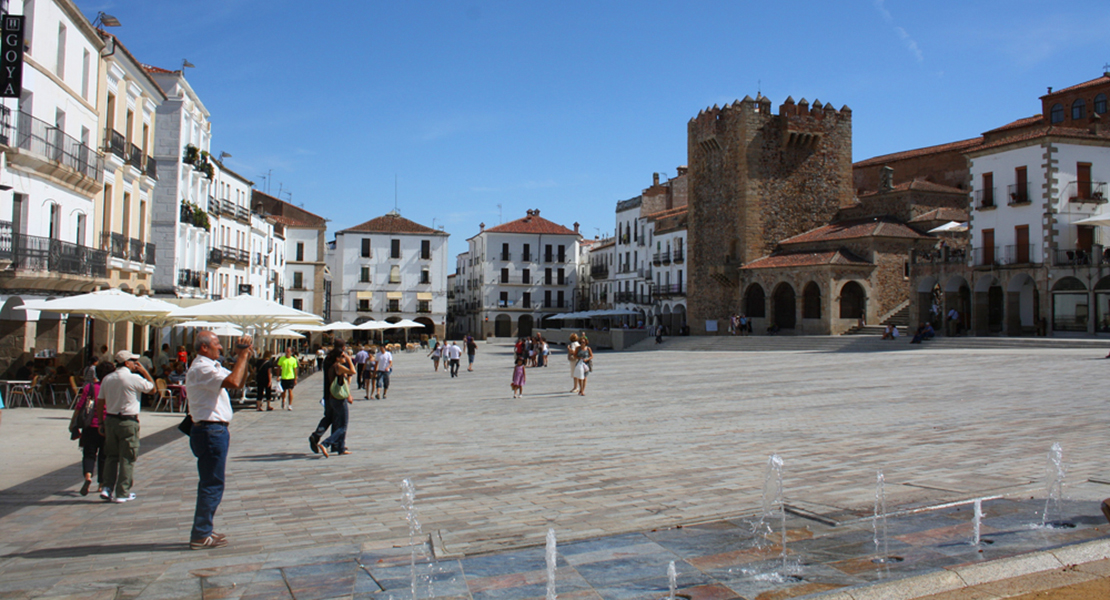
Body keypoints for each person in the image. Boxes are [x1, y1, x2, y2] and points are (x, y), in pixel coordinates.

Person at [185, 330, 253, 550]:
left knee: (211, 482)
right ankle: (200, 533)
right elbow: (233, 382)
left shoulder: (211, 366)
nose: (221, 347)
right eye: (217, 343)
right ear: (204, 347)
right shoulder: (202, 368)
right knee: (212, 483)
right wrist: (241, 357)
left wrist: (246, 357)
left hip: (212, 430)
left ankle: (204, 530)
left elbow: (239, 381)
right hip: (210, 431)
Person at [97, 350, 154, 503]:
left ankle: (107, 488)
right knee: (127, 458)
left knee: (111, 456)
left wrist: (100, 422)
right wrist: (144, 372)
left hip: (110, 419)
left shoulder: (107, 379)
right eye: (133, 361)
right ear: (127, 363)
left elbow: (100, 401)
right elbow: (153, 389)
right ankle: (122, 492)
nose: (136, 364)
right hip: (128, 421)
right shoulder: (133, 378)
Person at [72, 361, 114, 497]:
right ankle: (101, 483)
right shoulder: (112, 388)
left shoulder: (90, 387)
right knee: (104, 455)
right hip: (106, 425)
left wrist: (73, 423)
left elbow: (80, 406)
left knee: (89, 454)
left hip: (90, 425)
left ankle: (88, 476)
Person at [309, 339, 357, 458]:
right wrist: (349, 394)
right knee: (339, 421)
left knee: (329, 417)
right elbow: (348, 375)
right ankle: (332, 444)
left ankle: (319, 437)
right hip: (338, 394)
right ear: (343, 348)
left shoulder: (328, 358)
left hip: (328, 392)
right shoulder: (339, 360)